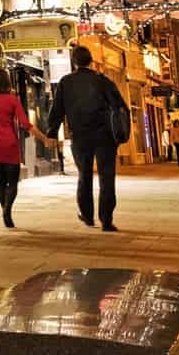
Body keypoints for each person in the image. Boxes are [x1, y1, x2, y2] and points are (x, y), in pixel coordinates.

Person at [46, 45, 125, 232]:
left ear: (74, 62)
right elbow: (119, 105)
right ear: (91, 61)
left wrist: (52, 131)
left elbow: (57, 109)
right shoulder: (102, 80)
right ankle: (106, 219)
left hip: (80, 135)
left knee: (84, 175)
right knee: (107, 177)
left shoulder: (66, 82)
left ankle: (87, 216)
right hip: (104, 135)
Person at [0, 69, 56, 228]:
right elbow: (26, 124)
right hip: (9, 143)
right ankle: (7, 210)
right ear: (7, 81)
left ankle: (5, 211)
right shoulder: (13, 100)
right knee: (12, 182)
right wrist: (44, 138)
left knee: (1, 181)